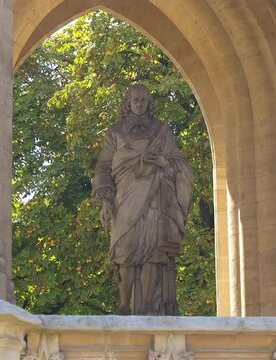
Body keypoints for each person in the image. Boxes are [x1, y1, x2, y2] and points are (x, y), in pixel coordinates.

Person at [92, 84, 193, 315]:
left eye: (144, 100)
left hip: (156, 197)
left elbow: (177, 162)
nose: (139, 104)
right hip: (125, 199)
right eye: (135, 100)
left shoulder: (161, 130)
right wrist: (106, 199)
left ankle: (148, 306)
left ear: (149, 102)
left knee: (152, 253)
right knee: (125, 251)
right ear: (127, 102)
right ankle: (124, 306)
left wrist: (162, 163)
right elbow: (104, 166)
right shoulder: (115, 131)